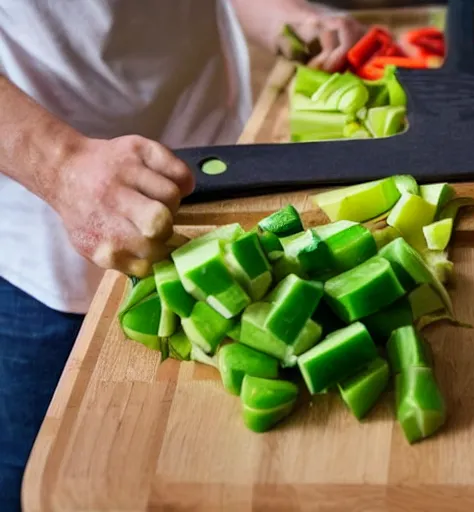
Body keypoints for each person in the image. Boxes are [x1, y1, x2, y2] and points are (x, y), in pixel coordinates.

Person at [0, 1, 365, 508]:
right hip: (39, 222)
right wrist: (60, 165)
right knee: (42, 476)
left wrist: (285, 14)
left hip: (219, 168)